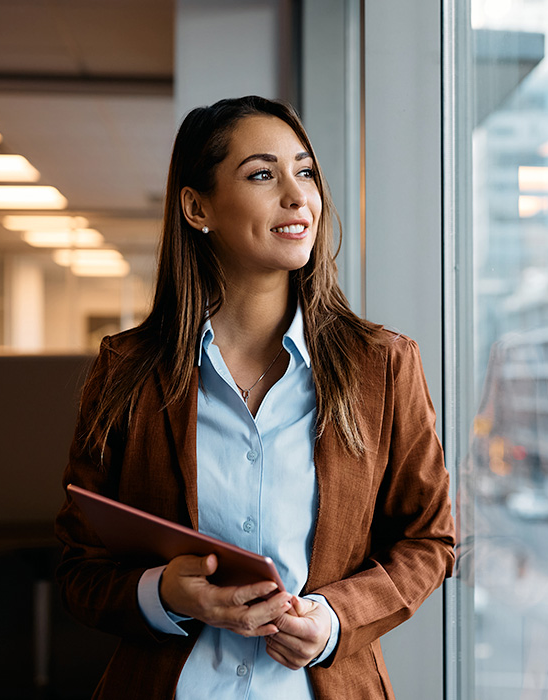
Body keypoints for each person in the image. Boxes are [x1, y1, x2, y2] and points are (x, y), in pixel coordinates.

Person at [54, 95, 455, 699]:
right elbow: (78, 566)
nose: (299, 197)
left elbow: (430, 539)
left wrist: (334, 619)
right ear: (197, 207)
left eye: (307, 172)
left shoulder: (383, 366)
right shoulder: (127, 371)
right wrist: (163, 593)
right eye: (263, 174)